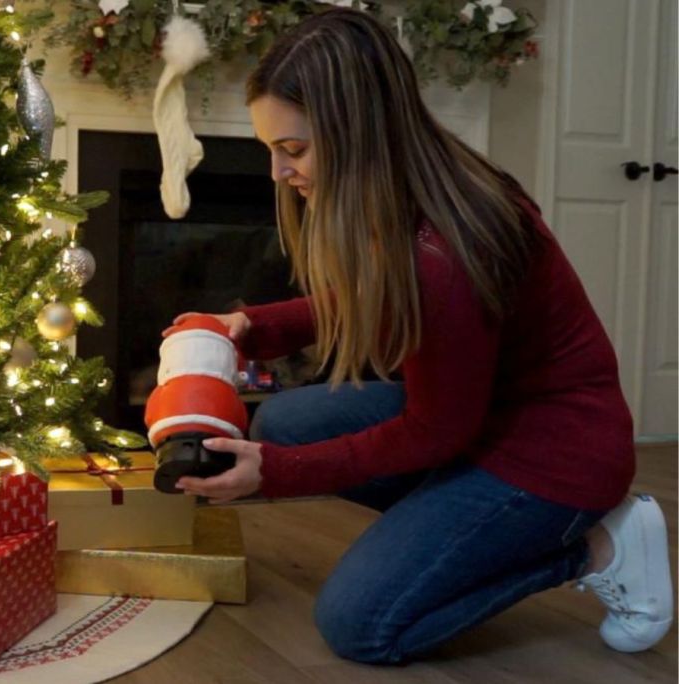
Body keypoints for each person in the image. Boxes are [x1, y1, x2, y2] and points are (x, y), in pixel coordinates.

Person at [163, 7, 674, 665]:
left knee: (359, 623)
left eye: (293, 150)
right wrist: (251, 326)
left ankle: (596, 544)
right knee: (287, 420)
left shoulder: (444, 254)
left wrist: (276, 477)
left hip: (553, 457)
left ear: (360, 132)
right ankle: (457, 527)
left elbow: (434, 432)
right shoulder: (409, 193)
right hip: (483, 415)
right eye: (270, 150)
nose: (277, 175)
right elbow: (368, 302)